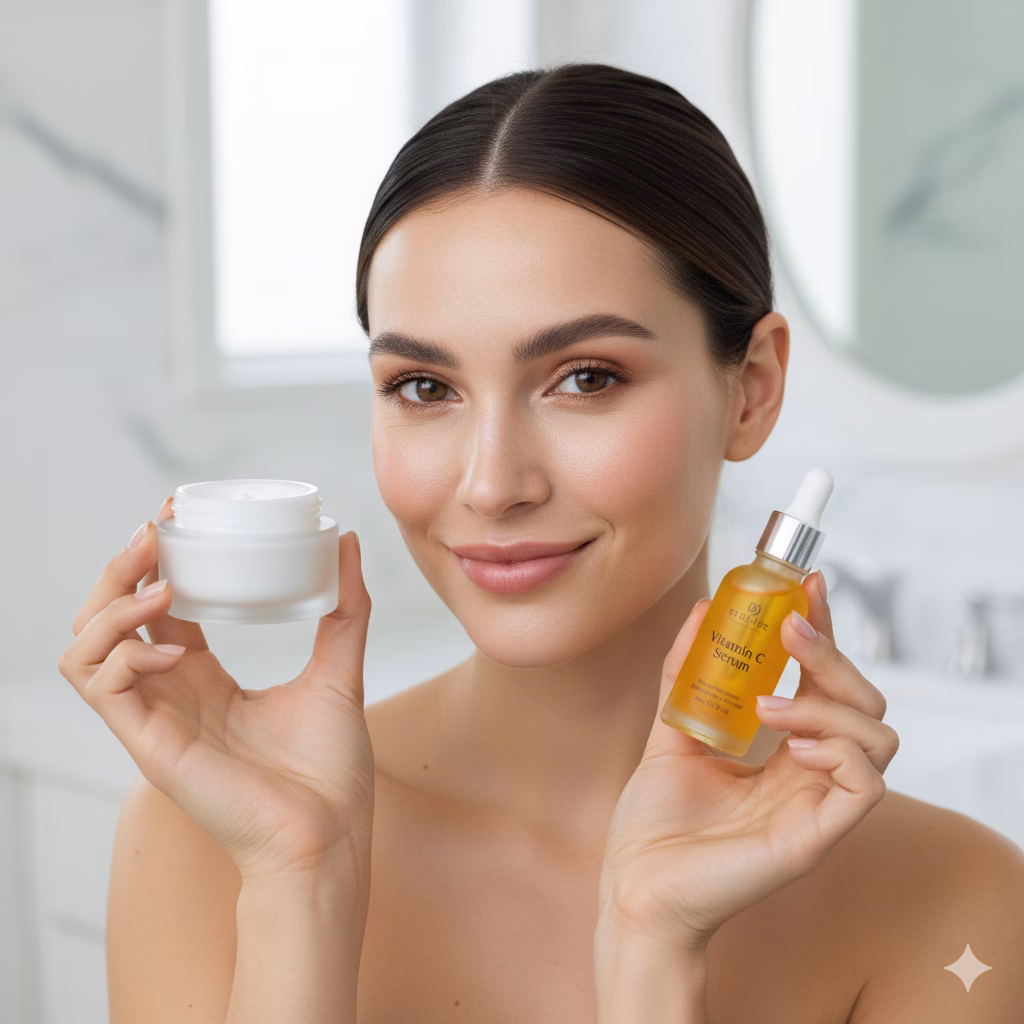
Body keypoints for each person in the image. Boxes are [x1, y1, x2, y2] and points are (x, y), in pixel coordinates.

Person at [59, 62, 1024, 1023]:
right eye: (424, 388)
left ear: (752, 387)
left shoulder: (954, 904)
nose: (491, 483)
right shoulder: (212, 837)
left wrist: (652, 948)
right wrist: (299, 881)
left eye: (587, 378)